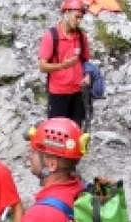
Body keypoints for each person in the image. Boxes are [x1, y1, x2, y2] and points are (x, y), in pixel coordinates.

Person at [38, 0, 91, 128]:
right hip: (58, 93)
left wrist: (88, 74)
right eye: (76, 17)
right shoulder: (51, 36)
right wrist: (62, 65)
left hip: (77, 92)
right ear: (66, 13)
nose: (79, 21)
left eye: (81, 18)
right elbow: (42, 66)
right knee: (56, 132)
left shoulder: (81, 35)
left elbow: (85, 60)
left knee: (75, 131)